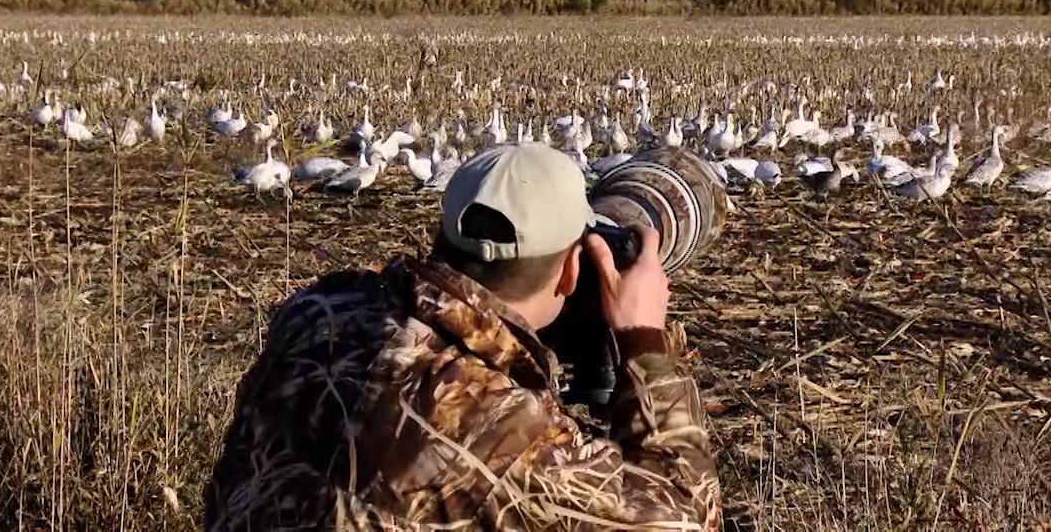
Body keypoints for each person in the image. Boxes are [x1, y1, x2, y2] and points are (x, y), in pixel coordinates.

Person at [204, 143, 719, 530]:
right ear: (571, 272)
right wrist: (642, 339)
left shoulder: (317, 312)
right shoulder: (501, 426)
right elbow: (685, 518)